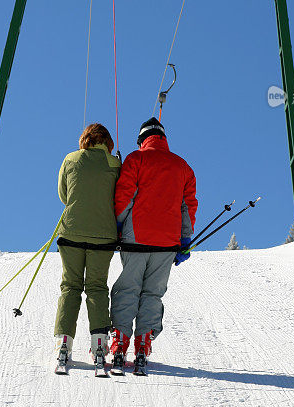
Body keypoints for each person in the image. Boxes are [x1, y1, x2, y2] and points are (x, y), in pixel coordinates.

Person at [110, 117, 197, 371]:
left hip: (135, 238)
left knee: (128, 289)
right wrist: (185, 241)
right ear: (163, 138)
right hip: (167, 244)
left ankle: (120, 341)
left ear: (141, 139)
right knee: (153, 293)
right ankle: (143, 343)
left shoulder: (136, 159)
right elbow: (187, 206)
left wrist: (117, 227)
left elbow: (124, 196)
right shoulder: (183, 166)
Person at [54, 123, 121, 369]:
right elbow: (120, 197)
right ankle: (99, 346)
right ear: (107, 142)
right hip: (103, 236)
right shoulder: (115, 164)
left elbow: (64, 195)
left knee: (70, 286)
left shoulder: (70, 159)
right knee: (96, 288)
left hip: (71, 232)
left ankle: (64, 343)